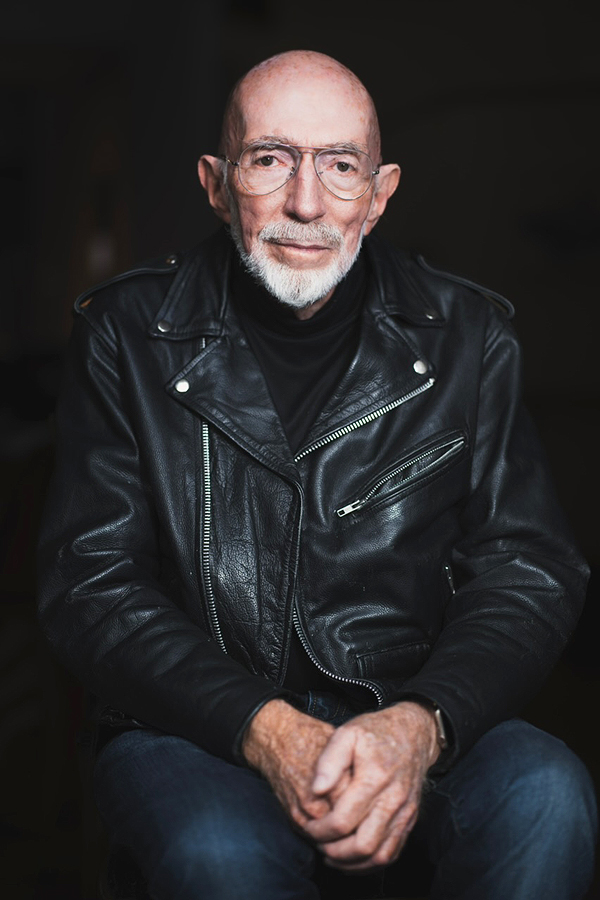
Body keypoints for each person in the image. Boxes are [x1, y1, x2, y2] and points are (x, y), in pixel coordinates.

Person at [37, 50, 597, 900]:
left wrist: (420, 725)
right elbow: (91, 585)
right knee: (217, 855)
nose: (306, 203)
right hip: (195, 724)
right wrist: (263, 728)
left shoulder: (469, 338)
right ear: (217, 184)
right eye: (271, 160)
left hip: (415, 708)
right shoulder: (124, 333)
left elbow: (529, 568)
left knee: (546, 795)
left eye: (340, 167)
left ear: (379, 196)